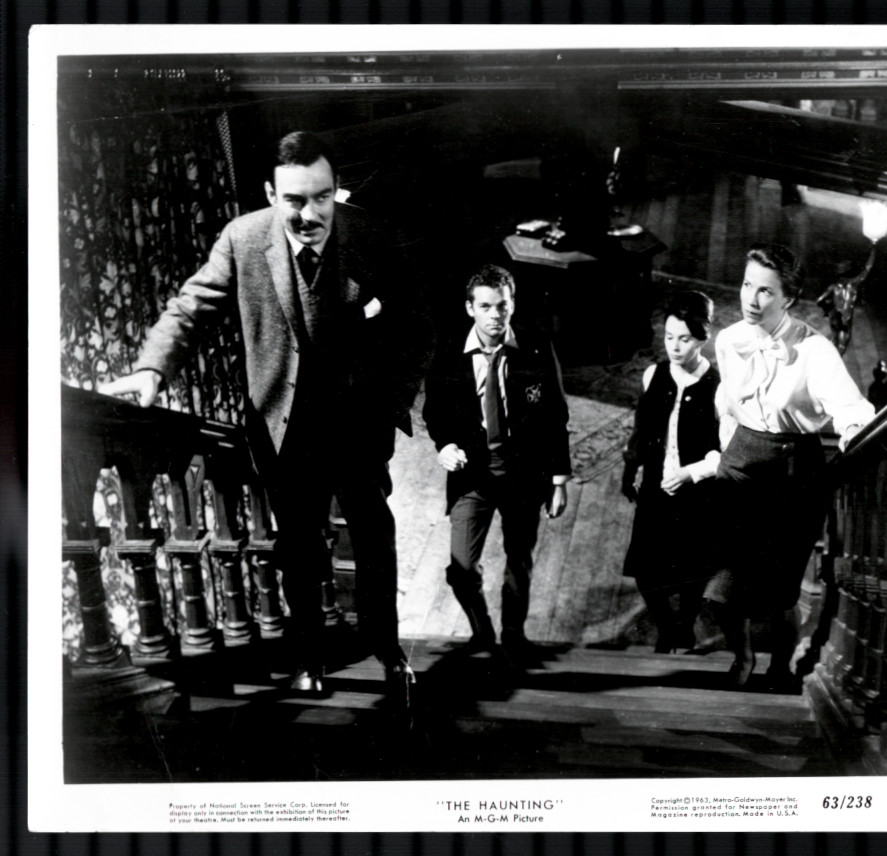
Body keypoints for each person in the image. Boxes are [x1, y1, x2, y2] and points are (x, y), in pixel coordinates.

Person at [101, 131, 428, 702]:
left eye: (322, 197)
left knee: (374, 539)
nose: (311, 215)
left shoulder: (372, 235)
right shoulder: (244, 238)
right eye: (295, 200)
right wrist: (154, 368)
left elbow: (418, 326)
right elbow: (190, 308)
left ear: (335, 189)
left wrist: (391, 400)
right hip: (284, 427)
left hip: (357, 425)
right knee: (298, 546)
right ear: (272, 195)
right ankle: (308, 657)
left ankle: (388, 649)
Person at [708, 244, 874, 692]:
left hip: (792, 473)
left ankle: (779, 667)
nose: (751, 298)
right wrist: (726, 449)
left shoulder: (815, 350)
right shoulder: (728, 340)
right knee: (722, 588)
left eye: (765, 291)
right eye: (747, 285)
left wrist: (852, 432)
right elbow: (728, 403)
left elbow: (852, 409)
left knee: (780, 591)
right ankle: (742, 655)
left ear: (790, 298)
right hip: (740, 464)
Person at [422, 264, 570, 667]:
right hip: (473, 473)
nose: (495, 315)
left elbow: (556, 415)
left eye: (502, 306)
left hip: (524, 472)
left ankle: (513, 636)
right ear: (470, 308)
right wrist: (445, 445)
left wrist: (559, 480)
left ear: (512, 305)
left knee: (519, 559)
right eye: (485, 306)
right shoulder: (449, 351)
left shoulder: (536, 347)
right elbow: (435, 410)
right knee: (461, 567)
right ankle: (482, 630)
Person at [620, 291, 721, 654]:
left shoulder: (718, 387)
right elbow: (641, 431)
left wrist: (692, 473)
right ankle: (667, 628)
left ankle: (686, 626)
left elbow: (723, 452)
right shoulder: (654, 375)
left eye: (685, 339)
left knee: (693, 570)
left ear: (703, 338)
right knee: (647, 571)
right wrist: (630, 469)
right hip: (655, 487)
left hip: (698, 493)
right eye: (669, 337)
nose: (675, 347)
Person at [815, 242, 877, 354]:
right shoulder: (852, 284)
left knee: (835, 341)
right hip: (845, 318)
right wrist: (873, 250)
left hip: (834, 316)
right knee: (842, 345)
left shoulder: (833, 286)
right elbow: (867, 269)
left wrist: (829, 309)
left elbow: (819, 300)